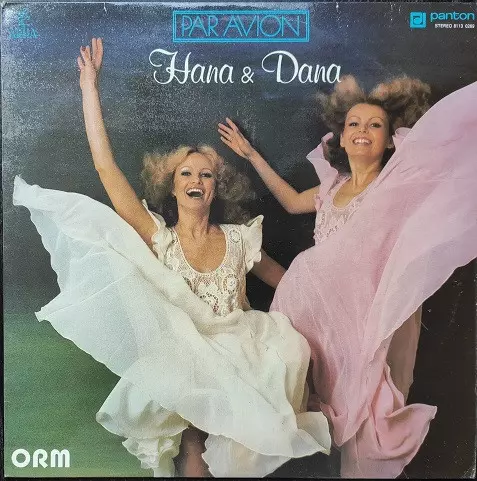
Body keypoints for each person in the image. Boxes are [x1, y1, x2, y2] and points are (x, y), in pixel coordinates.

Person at [13, 38, 332, 477]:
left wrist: (339, 298)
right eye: (187, 172)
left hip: (241, 356)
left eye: (206, 174)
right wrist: (90, 88)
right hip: (185, 361)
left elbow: (291, 282)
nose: (196, 179)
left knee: (250, 439)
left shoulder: (241, 240)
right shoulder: (159, 239)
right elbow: (106, 169)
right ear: (174, 185)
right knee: (194, 455)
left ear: (216, 187)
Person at [218, 76, 477, 477]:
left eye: (375, 125)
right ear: (341, 137)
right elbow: (290, 201)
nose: (362, 131)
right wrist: (251, 155)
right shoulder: (331, 187)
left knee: (364, 415)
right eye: (354, 123)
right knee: (298, 404)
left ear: (389, 141)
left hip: (364, 319)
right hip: (313, 318)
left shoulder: (394, 188)